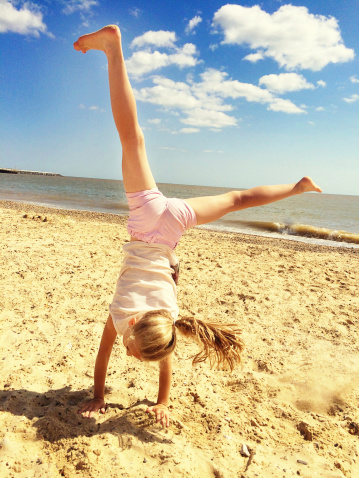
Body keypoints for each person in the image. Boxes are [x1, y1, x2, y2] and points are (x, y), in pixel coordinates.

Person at [74, 26, 322, 428]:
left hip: (171, 227)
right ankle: (113, 48)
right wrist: (104, 396)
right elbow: (105, 356)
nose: (130, 354)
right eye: (136, 353)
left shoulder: (169, 322)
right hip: (148, 218)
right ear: (136, 323)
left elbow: (168, 286)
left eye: (135, 353)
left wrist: (154, 402)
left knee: (236, 198)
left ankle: (298, 188)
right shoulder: (126, 318)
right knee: (130, 139)